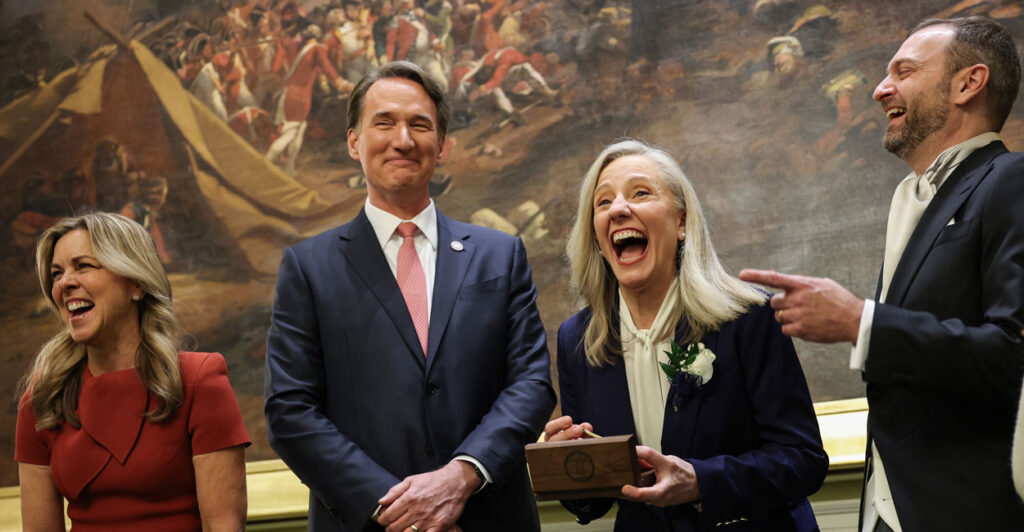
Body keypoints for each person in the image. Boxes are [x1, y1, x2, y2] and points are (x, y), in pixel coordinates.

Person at [740, 16, 1024, 531]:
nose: (879, 89)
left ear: (969, 83)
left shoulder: (1010, 180)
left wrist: (862, 324)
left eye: (905, 71)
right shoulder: (911, 200)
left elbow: (1013, 356)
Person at [264, 61, 555, 532]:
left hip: (487, 516)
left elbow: (531, 385)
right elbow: (290, 412)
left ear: (442, 146)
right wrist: (400, 510)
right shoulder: (308, 268)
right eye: (384, 122)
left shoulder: (500, 255)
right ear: (354, 141)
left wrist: (460, 478)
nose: (403, 139)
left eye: (420, 124)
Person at [546, 139, 828, 531]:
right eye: (604, 202)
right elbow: (591, 506)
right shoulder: (576, 340)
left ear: (681, 222)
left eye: (640, 193)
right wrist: (569, 465)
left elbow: (803, 460)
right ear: (595, 236)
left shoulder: (747, 316)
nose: (620, 209)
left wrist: (700, 482)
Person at [15, 212, 251, 531]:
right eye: (57, 273)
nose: (64, 283)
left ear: (136, 283)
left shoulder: (199, 379)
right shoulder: (43, 399)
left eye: (83, 266)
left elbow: (223, 526)